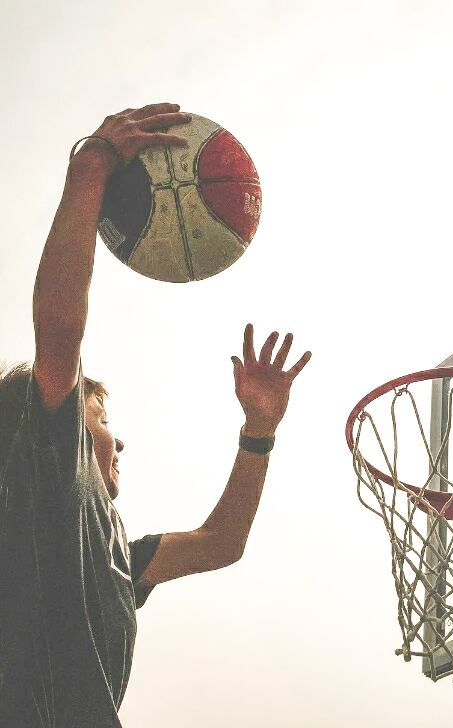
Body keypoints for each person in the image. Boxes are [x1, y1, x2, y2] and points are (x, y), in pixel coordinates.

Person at [0, 103, 311, 727]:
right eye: (99, 417)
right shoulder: (42, 482)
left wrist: (258, 433)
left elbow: (220, 544)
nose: (118, 440)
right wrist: (91, 168)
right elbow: (58, 331)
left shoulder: (115, 551)